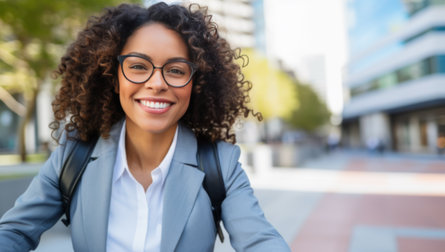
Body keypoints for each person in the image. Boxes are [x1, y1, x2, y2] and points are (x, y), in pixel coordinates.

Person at [0, 2, 290, 252]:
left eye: (176, 70)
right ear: (114, 77)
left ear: (196, 84)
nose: (157, 83)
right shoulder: (74, 155)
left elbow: (260, 240)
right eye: (138, 66)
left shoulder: (220, 164)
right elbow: (14, 232)